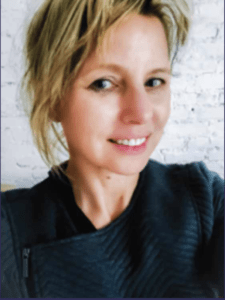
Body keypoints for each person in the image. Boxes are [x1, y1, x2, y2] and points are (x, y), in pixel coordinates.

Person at [1, 0, 224, 298]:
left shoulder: (204, 200)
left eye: (154, 81)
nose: (141, 113)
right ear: (52, 97)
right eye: (104, 83)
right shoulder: (10, 227)